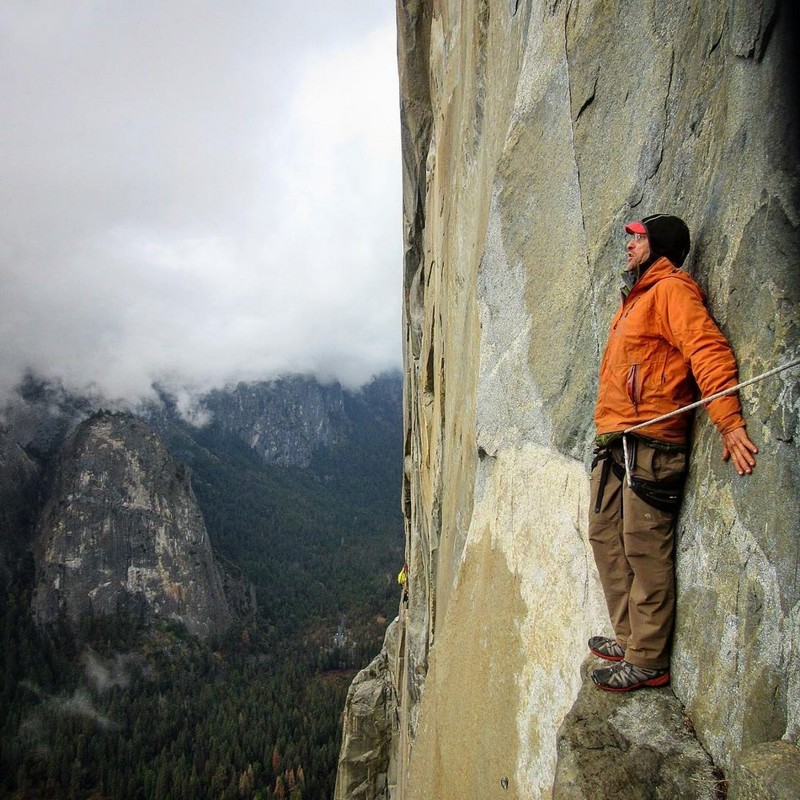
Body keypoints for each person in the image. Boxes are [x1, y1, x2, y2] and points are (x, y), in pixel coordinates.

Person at [587, 213, 758, 692]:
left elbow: (706, 348)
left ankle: (647, 659)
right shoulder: (637, 296)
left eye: (637, 239)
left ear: (658, 245)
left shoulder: (671, 290)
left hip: (653, 440)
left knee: (643, 548)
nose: (628, 244)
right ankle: (630, 638)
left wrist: (728, 421)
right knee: (605, 538)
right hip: (618, 439)